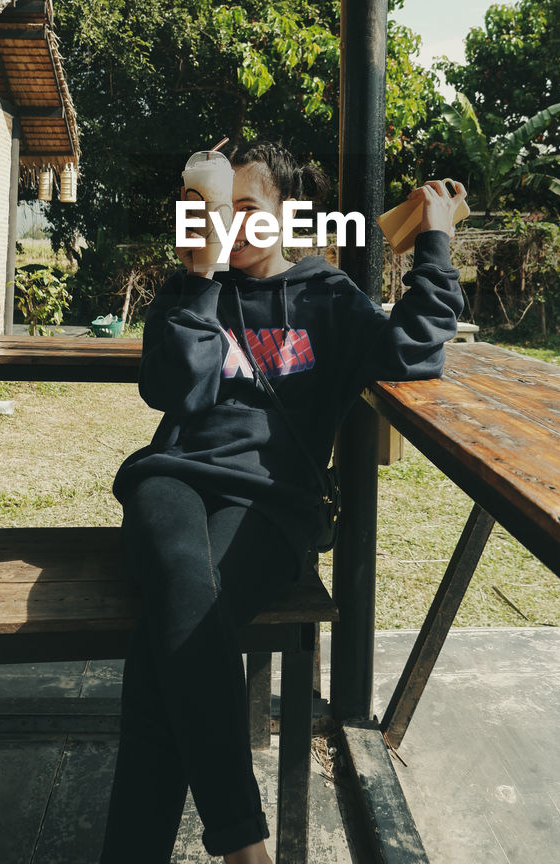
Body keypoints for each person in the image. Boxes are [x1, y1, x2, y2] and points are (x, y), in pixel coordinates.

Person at [101, 141, 465, 864]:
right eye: (213, 209)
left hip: (270, 502)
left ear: (285, 220)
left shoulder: (325, 297)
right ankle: (245, 848)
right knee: (179, 576)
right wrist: (198, 273)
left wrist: (436, 240)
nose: (229, 227)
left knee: (162, 658)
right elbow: (177, 390)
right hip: (170, 477)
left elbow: (415, 350)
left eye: (246, 211)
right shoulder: (189, 287)